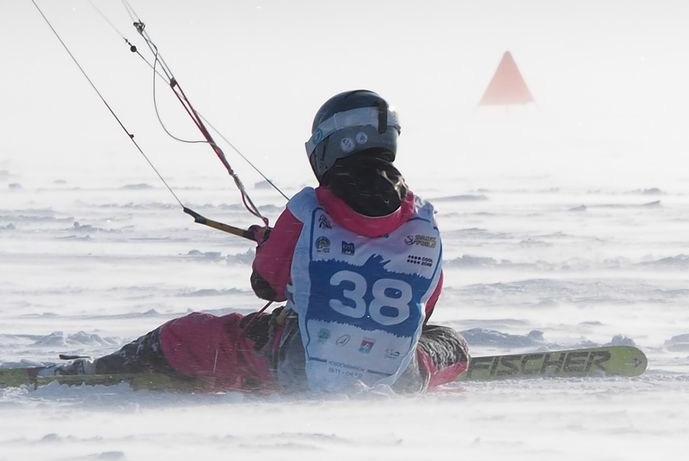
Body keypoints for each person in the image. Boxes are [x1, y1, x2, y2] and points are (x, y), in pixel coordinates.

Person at [93, 90, 466, 393]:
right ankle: (423, 368)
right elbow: (423, 307)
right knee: (451, 342)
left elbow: (266, 285)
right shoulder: (424, 219)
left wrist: (272, 247)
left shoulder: (307, 209)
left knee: (189, 334)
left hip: (299, 364)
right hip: (399, 373)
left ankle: (109, 369)